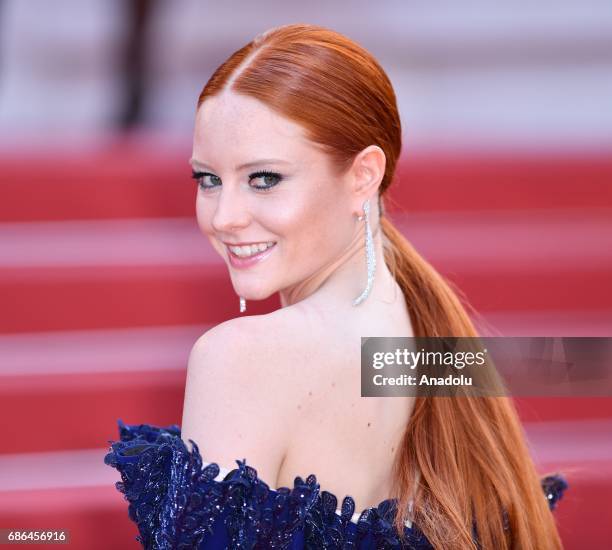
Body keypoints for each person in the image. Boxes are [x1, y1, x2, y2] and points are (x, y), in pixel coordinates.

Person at [104, 23, 568, 549]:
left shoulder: (240, 358)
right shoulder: (428, 336)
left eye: (264, 178)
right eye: (207, 179)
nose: (224, 216)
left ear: (364, 175)